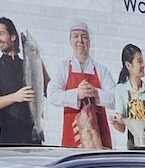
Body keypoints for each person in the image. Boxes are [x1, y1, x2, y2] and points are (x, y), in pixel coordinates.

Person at [45, 20, 113, 148]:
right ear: (70, 41)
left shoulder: (101, 70)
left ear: (89, 42)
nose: (80, 40)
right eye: (75, 36)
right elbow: (52, 95)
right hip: (73, 135)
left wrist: (96, 93)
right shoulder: (63, 67)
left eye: (84, 37)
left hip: (99, 135)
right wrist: (77, 94)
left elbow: (115, 99)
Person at [0, 18, 41, 144]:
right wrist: (15, 97)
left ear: (13, 36)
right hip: (8, 138)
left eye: (1, 33)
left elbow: (46, 89)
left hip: (33, 137)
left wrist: (36, 58)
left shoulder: (27, 65)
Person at [110, 44, 145, 151]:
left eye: (143, 61)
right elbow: (122, 127)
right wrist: (114, 122)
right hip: (134, 149)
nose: (143, 65)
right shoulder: (121, 89)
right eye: (139, 61)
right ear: (128, 65)